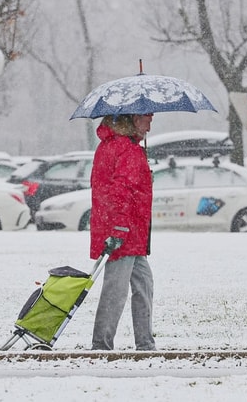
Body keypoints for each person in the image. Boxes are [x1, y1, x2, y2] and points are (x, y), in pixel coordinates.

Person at [90, 113, 156, 351]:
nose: (150, 124)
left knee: (144, 286)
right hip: (123, 233)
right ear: (134, 120)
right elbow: (121, 191)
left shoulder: (114, 146)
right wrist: (118, 229)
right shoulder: (126, 150)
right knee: (116, 291)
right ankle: (101, 345)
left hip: (130, 232)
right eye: (147, 118)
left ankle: (145, 343)